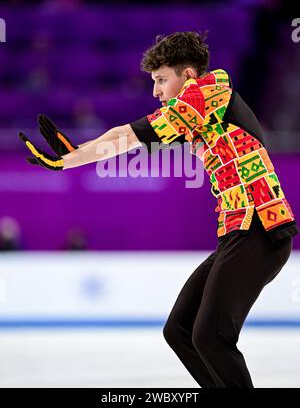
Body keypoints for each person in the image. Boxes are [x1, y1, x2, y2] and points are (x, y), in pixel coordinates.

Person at [19, 31, 299, 388]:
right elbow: (125, 136)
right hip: (239, 233)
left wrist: (70, 161)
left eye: (161, 80)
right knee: (180, 330)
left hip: (260, 230)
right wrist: (75, 153)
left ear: (189, 76)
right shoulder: (198, 113)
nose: (156, 91)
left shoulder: (206, 94)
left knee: (211, 337)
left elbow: (128, 135)